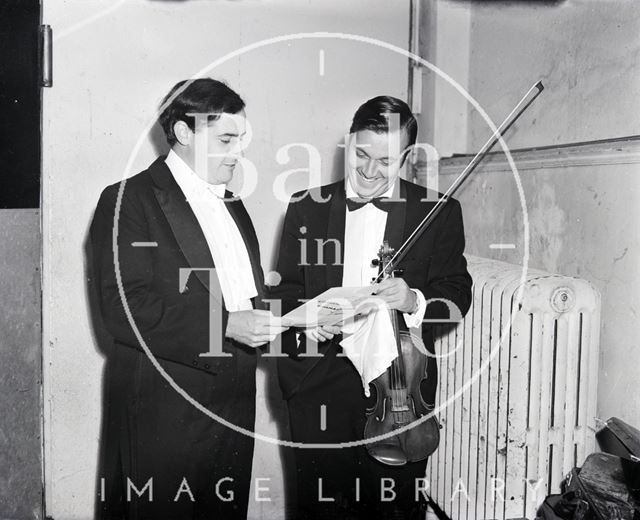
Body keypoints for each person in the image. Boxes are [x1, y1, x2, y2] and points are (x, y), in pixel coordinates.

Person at [90, 78, 286, 519]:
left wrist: (302, 321)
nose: (239, 152)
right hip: (164, 408)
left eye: (240, 139)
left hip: (234, 404)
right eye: (226, 139)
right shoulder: (127, 200)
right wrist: (224, 325)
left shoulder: (232, 203)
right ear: (183, 133)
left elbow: (248, 297)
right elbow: (124, 308)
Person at [271, 96, 473, 519]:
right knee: (319, 509)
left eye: (385, 161)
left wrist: (414, 301)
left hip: (398, 391)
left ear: (406, 158)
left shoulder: (437, 211)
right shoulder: (306, 206)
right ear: (348, 144)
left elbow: (457, 291)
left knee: (392, 511)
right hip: (318, 384)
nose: (367, 170)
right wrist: (306, 323)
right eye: (361, 154)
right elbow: (284, 292)